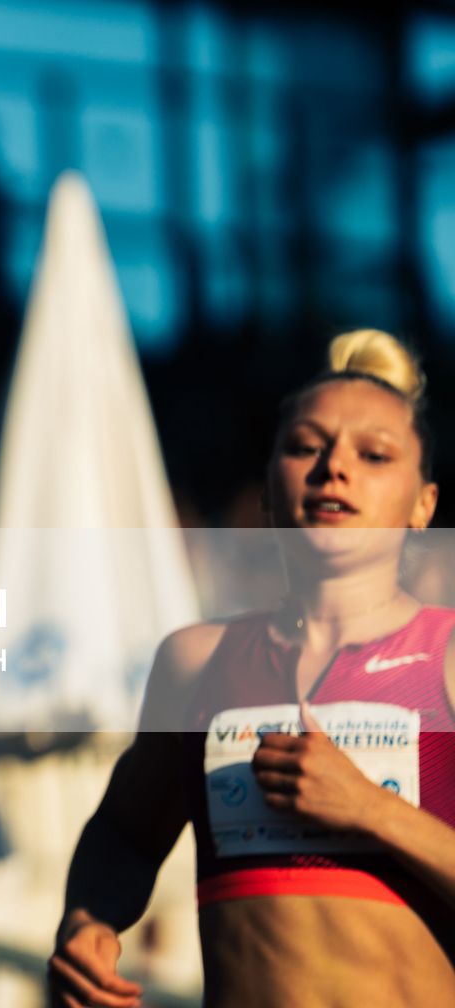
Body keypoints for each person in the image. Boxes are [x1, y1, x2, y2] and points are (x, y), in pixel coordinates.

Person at [50, 329, 455, 1007]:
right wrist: (89, 920)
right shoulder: (196, 662)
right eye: (305, 446)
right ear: (268, 490)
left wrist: (373, 810)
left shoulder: (446, 658)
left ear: (424, 506)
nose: (334, 469)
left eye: (375, 455)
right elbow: (124, 832)